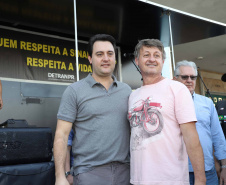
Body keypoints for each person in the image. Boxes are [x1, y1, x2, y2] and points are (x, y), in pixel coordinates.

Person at [54, 34, 132, 185]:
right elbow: (61, 135)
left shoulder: (127, 91)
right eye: (99, 54)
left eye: (110, 54)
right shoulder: (74, 91)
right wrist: (60, 176)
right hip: (89, 173)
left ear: (115, 58)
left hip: (125, 172)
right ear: (90, 58)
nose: (106, 58)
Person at [128, 39, 206, 185]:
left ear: (163, 61)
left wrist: (200, 180)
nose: (152, 59)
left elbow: (191, 138)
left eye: (156, 55)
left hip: (171, 180)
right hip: (137, 180)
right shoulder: (133, 96)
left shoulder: (177, 89)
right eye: (146, 55)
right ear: (137, 60)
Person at [174, 60, 226, 185]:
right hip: (177, 172)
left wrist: (224, 166)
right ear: (175, 79)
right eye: (184, 77)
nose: (189, 80)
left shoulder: (207, 103)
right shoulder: (168, 103)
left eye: (193, 77)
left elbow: (217, 135)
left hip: (207, 171)